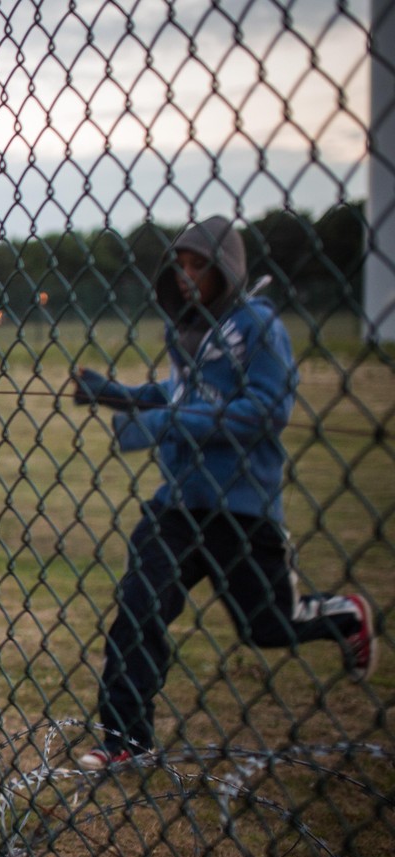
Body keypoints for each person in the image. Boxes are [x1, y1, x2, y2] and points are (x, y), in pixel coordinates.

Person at [71, 215, 381, 770]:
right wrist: (114, 394)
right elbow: (178, 392)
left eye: (200, 266)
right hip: (178, 505)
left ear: (227, 270)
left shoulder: (256, 326)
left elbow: (266, 410)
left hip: (241, 508)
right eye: (181, 266)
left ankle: (346, 616)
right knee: (139, 606)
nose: (188, 277)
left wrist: (174, 421)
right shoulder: (189, 329)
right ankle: (126, 740)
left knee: (266, 626)